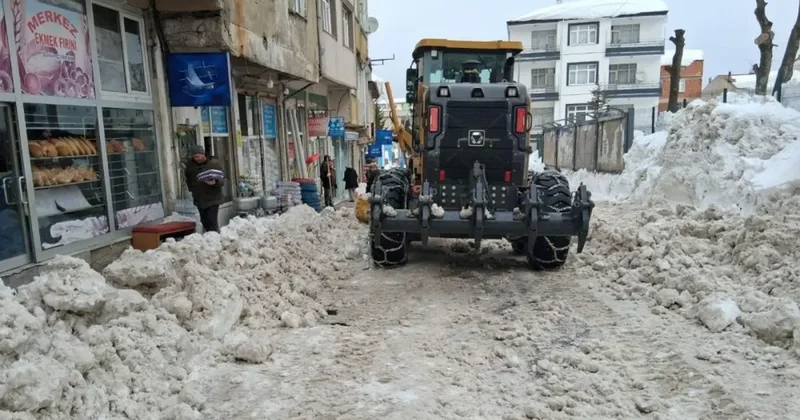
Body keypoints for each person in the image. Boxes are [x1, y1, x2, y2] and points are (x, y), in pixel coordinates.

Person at [184, 145, 224, 233]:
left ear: (203, 154)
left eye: (197, 156)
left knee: (212, 221)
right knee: (204, 221)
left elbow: (221, 180)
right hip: (199, 198)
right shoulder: (190, 165)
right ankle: (210, 238)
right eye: (194, 157)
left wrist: (215, 183)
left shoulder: (213, 163)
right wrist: (191, 189)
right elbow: (188, 178)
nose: (196, 159)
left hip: (213, 198)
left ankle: (215, 238)